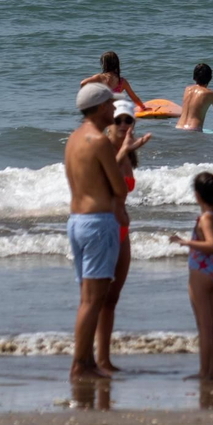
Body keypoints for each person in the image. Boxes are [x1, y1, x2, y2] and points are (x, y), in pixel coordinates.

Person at [65, 82, 128, 380]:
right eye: (112, 104)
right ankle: (80, 364)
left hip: (76, 221)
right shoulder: (98, 141)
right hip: (98, 222)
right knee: (94, 300)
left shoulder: (74, 139)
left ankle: (87, 361)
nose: (115, 109)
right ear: (101, 107)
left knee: (86, 298)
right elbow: (118, 186)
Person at [94, 99, 152, 376]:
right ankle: (88, 358)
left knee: (113, 298)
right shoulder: (102, 148)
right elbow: (101, 182)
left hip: (122, 230)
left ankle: (104, 359)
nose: (123, 125)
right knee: (96, 298)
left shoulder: (126, 153)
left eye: (128, 120)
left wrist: (130, 150)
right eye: (118, 120)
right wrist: (127, 149)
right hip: (102, 229)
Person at [170, 170, 213, 381]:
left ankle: (205, 372)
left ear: (197, 195)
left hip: (201, 273)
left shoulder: (206, 218)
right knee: (211, 327)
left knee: (204, 327)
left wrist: (185, 242)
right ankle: (211, 371)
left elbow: (212, 245)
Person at [176, 62, 213, 132]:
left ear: (194, 77)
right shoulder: (211, 94)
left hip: (178, 127)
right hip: (193, 130)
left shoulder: (187, 89)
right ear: (210, 78)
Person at [81, 51, 148, 109]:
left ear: (104, 64)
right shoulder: (122, 81)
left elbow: (83, 83)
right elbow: (134, 98)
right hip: (113, 111)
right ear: (117, 64)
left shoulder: (99, 77)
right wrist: (142, 107)